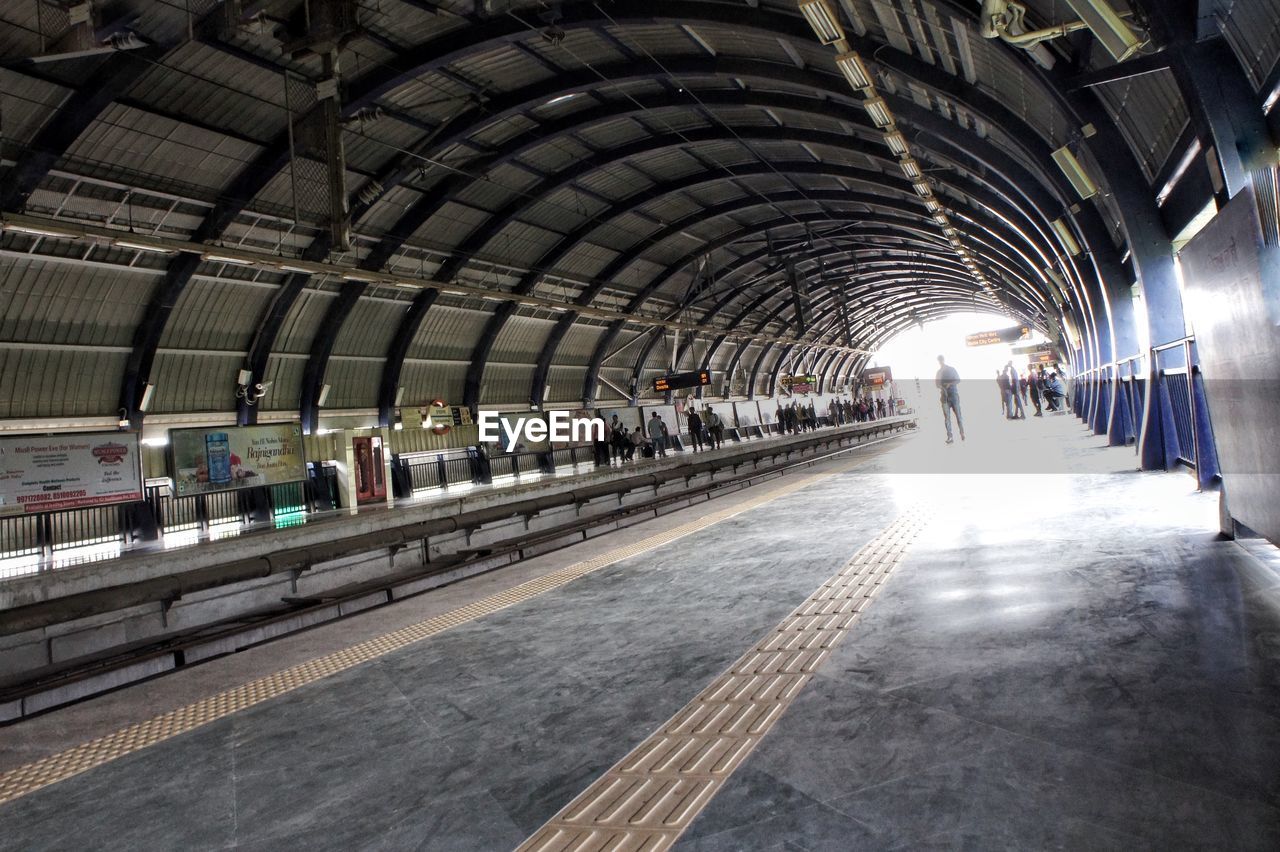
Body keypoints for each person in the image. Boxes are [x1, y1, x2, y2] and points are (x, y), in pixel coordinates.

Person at [936, 355, 965, 444]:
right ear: (938, 361)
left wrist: (949, 384)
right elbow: (937, 384)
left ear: (943, 360)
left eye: (941, 359)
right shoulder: (939, 372)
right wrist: (942, 387)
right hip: (944, 397)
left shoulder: (951, 369)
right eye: (939, 360)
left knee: (958, 416)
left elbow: (958, 380)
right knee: (947, 418)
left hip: (953, 395)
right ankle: (950, 437)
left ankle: (962, 433)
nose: (940, 361)